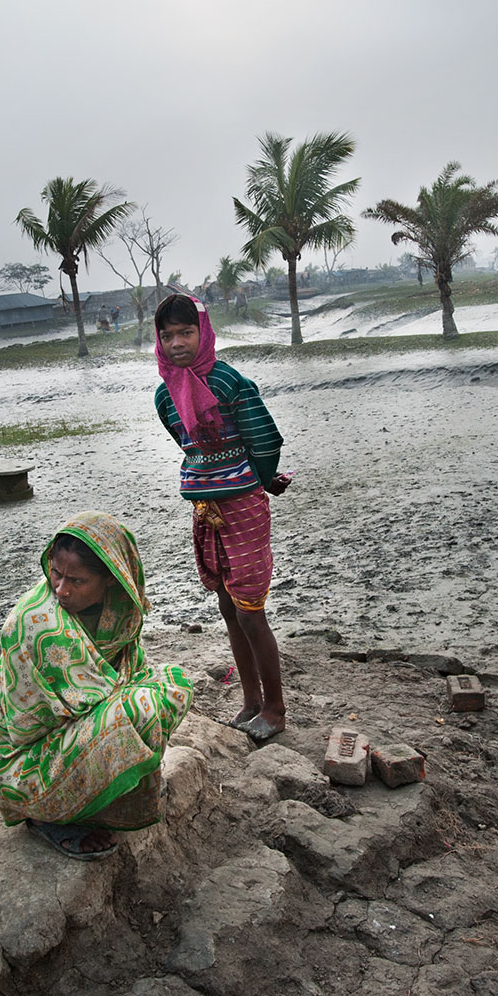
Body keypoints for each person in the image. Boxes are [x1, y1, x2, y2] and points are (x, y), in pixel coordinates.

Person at [0, 512, 195, 859]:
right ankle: (51, 817)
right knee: (138, 710)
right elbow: (28, 726)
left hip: (70, 737)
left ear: (111, 579)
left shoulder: (118, 613)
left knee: (173, 686)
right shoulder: (37, 623)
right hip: (23, 758)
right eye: (56, 574)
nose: (61, 589)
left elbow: (132, 674)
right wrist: (123, 718)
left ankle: (105, 794)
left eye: (76, 580)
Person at [153, 293, 291, 742]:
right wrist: (214, 475)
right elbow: (186, 443)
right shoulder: (164, 393)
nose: (177, 342)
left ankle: (274, 709)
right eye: (167, 335)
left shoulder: (230, 383)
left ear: (204, 332)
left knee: (251, 610)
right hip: (206, 508)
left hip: (243, 506)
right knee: (227, 606)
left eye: (186, 332)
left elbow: (265, 440)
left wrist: (264, 479)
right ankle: (249, 701)